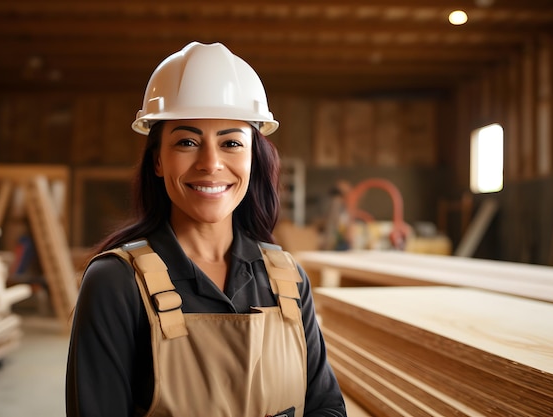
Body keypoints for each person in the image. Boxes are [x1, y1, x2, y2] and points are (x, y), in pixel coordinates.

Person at [65, 41, 347, 417]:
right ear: (158, 162)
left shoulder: (287, 278)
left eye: (231, 142)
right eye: (187, 142)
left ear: (253, 158)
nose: (211, 163)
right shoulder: (116, 283)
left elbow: (325, 408)